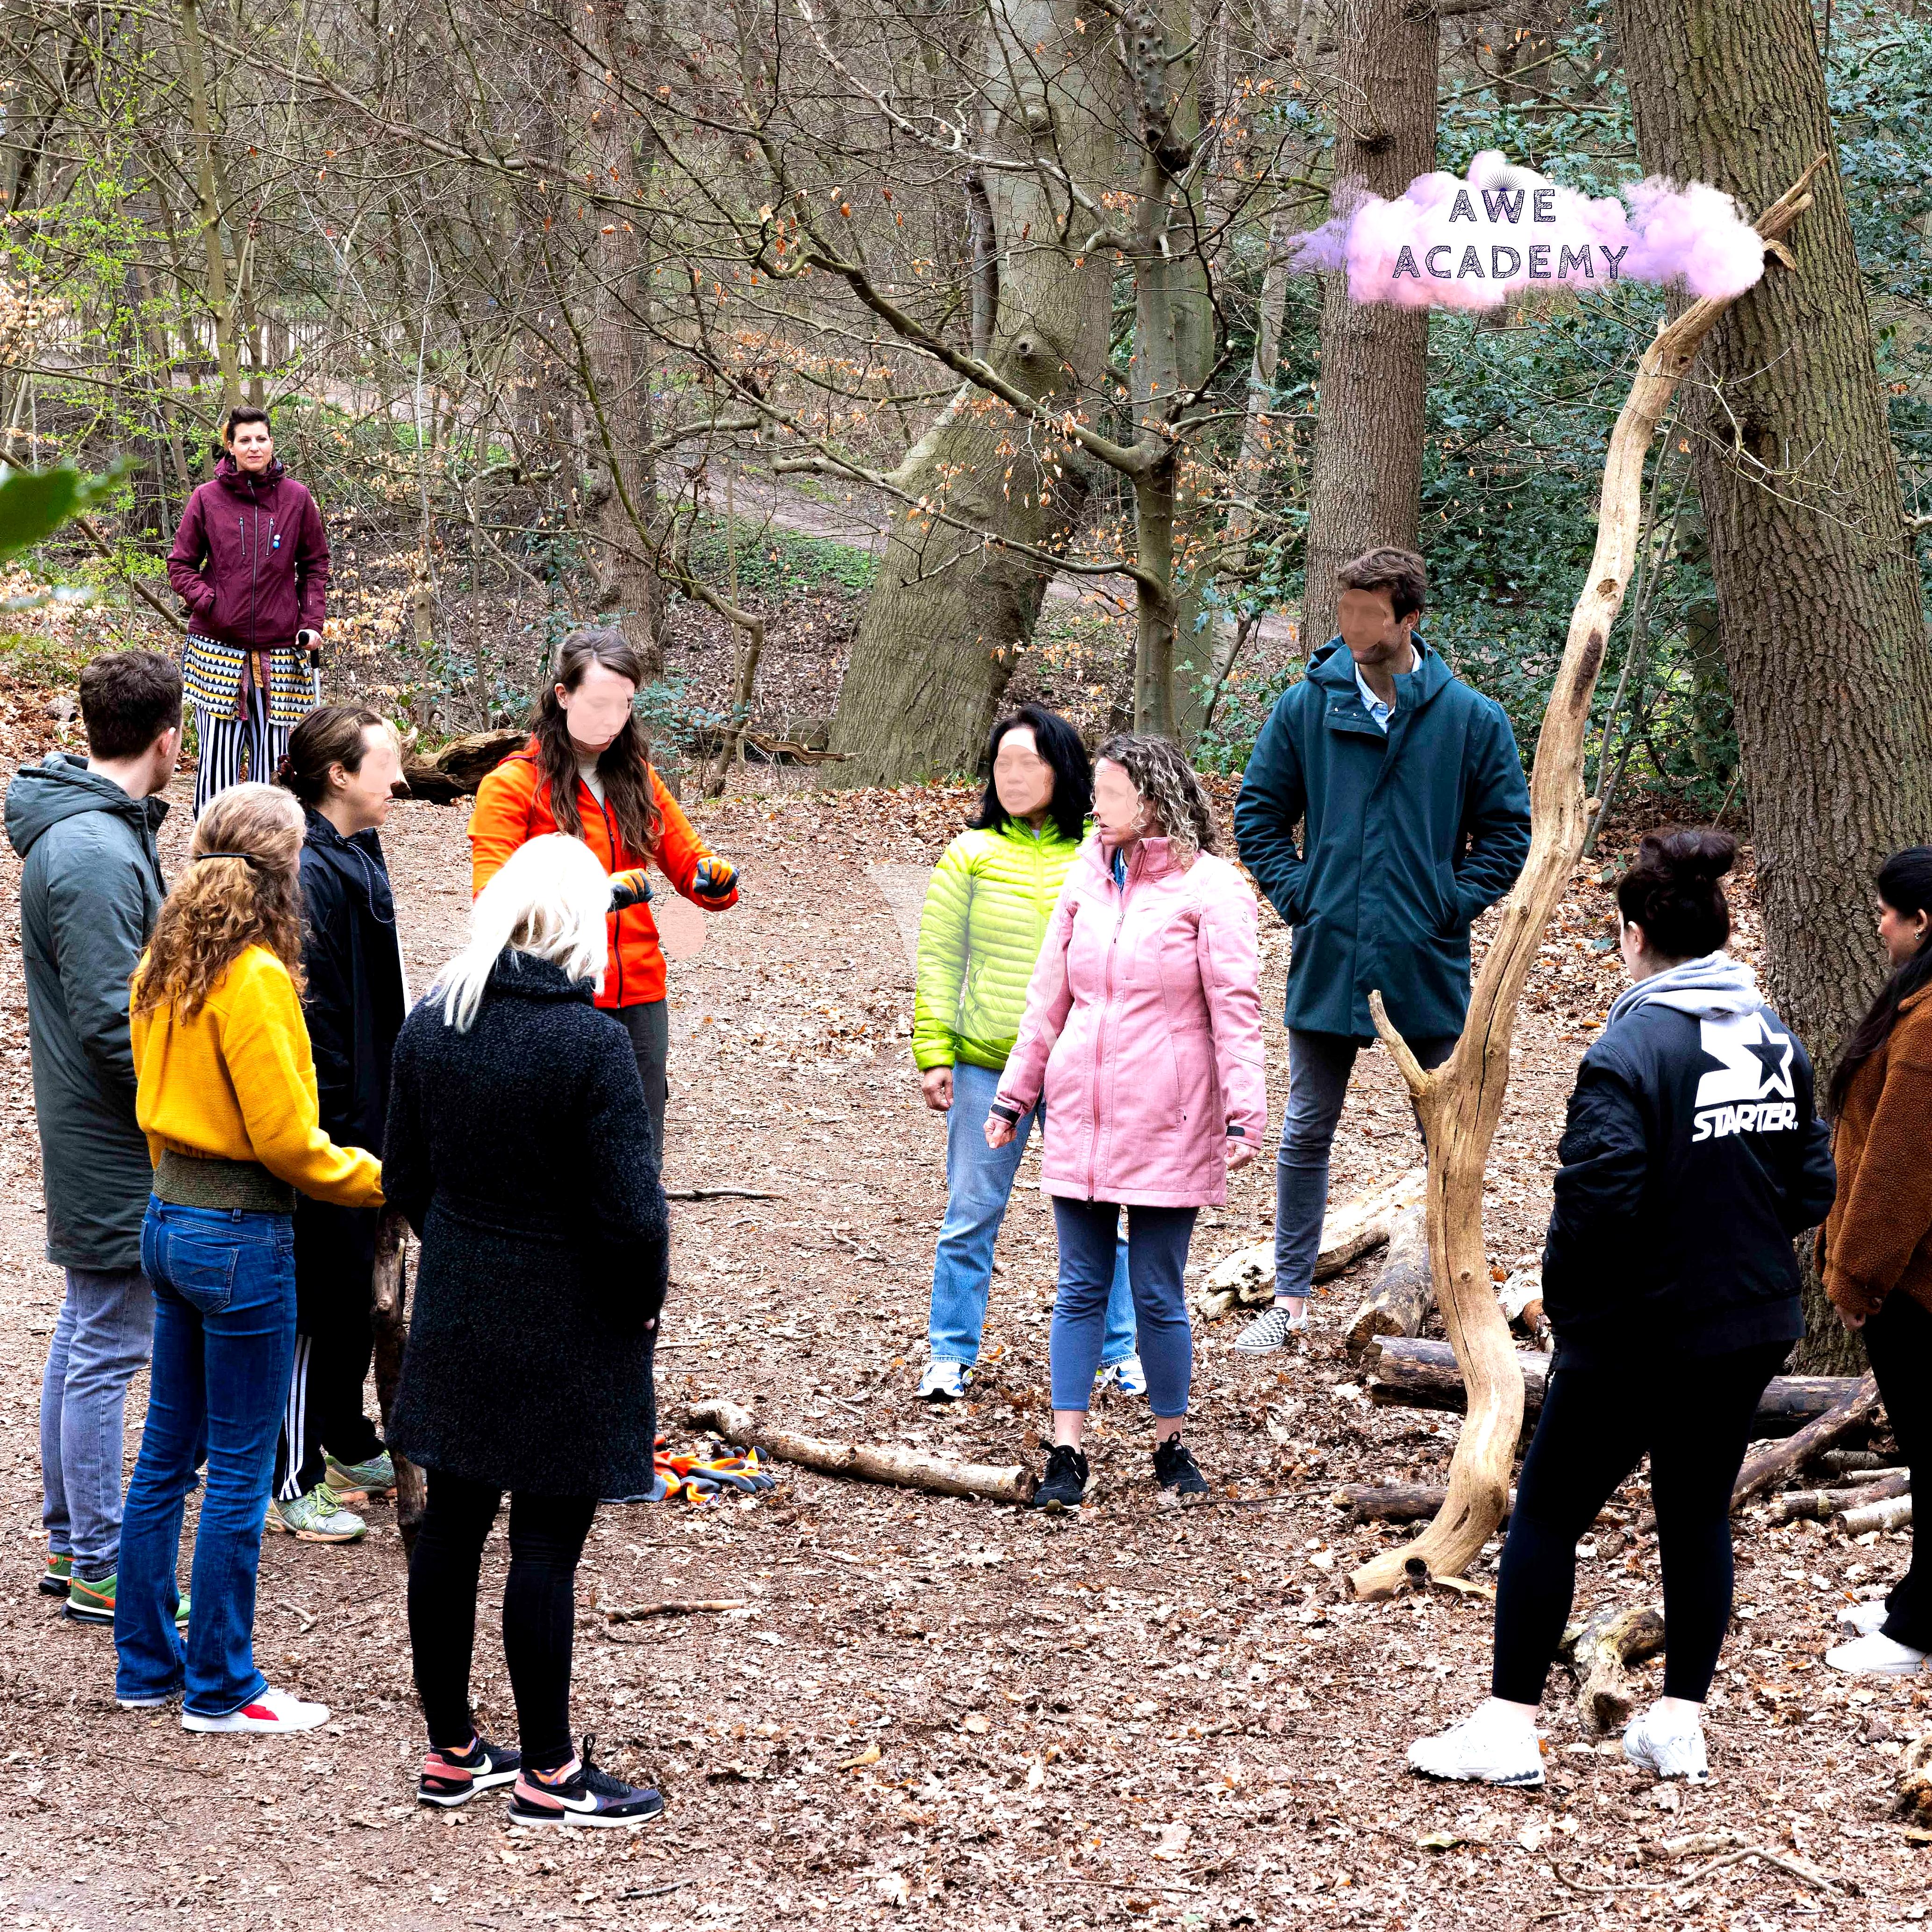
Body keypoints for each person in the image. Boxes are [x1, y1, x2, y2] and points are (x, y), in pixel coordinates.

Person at [1409, 830, 1835, 1787]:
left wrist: (1565, 1303)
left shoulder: (1630, 1046)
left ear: (1634, 935)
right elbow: (1811, 1187)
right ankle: (1679, 1724)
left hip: (1643, 1330)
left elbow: (1598, 1201)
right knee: (1694, 1516)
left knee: (1550, 1515)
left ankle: (1509, 1727)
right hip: (1749, 1321)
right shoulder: (1770, 1033)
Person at [385, 834, 668, 1826]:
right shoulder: (590, 1044)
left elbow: (402, 1174)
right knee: (546, 1542)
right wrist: (642, 1295)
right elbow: (632, 1212)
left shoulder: (434, 1021)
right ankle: (550, 1771)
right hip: (568, 1318)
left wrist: (464, 1248)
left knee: (452, 1529)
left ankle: (454, 1749)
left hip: (462, 1305)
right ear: (581, 921)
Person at [116, 784, 384, 1734]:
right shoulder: (257, 977)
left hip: (167, 1220)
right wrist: (378, 1181)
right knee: (235, 1467)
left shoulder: (168, 959)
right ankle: (223, 1687)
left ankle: (147, 1666)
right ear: (286, 872)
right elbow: (286, 1140)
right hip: (238, 1238)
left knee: (164, 1463)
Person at [1232, 547, 1530, 1352]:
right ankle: (1287, 1304)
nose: (1355, 626)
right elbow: (1257, 814)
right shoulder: (1305, 707)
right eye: (1347, 610)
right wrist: (1304, 899)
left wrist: (1447, 903)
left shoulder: (1470, 719)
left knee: (1446, 1133)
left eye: (1371, 612)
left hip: (1425, 960)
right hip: (1329, 953)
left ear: (1408, 619)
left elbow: (1507, 834)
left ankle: (1452, 1292)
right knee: (1304, 1127)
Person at [991, 736, 1267, 1511]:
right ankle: (1066, 1447)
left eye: (1107, 794)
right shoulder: (1086, 876)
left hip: (1168, 1115)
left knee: (1155, 1290)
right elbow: (1048, 996)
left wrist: (1245, 1114)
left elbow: (1234, 1008)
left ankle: (1168, 1441)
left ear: (1147, 801)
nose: (1093, 807)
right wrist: (1014, 1096)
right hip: (1080, 1109)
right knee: (1078, 1285)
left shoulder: (1211, 888)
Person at [5, 652, 183, 1625]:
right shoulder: (93, 854)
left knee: (87, 1334)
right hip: (111, 1135)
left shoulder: (97, 836)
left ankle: (74, 1542)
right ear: (167, 738)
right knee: (109, 1343)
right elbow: (117, 1026)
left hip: (102, 1128)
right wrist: (189, 1100)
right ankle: (102, 1564)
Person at [913, 707, 1143, 1402]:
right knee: (972, 1211)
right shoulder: (970, 853)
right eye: (1002, 763)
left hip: (1081, 1065)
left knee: (1099, 1210)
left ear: (1062, 767)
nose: (1012, 776)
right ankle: (950, 1355)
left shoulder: (1103, 852)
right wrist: (934, 1052)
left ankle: (1121, 1350)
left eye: (1029, 762)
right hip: (987, 1060)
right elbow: (938, 960)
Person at [468, 627, 739, 1160]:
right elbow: (493, 903)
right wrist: (594, 895)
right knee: (558, 1154)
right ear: (562, 696)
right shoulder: (512, 786)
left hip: (639, 994)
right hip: (552, 993)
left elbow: (692, 865)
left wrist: (716, 877)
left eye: (625, 706)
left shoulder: (637, 777)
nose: (612, 721)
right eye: (598, 704)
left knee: (636, 1154)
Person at [266, 707, 408, 1544]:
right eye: (384, 766)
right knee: (314, 1299)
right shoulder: (308, 870)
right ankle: (290, 1477)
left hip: (370, 1111)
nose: (399, 781)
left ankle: (346, 1438)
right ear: (337, 775)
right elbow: (314, 1017)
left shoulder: (360, 849)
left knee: (355, 1290)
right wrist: (335, 1127)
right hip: (328, 1121)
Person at [1818, 845, 1932, 1677]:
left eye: (1885, 912)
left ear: (1920, 920)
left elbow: (1899, 1168)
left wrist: (1853, 1276)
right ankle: (1914, 1599)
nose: (1877, 923)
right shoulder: (1917, 1002)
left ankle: (1918, 1629)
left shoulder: (1928, 1023)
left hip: (1914, 1282)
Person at [167, 405, 330, 818]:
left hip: (281, 651)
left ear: (272, 442)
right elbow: (181, 564)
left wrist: (311, 623)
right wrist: (211, 604)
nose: (254, 446)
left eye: (261, 438)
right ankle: (211, 852)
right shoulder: (207, 498)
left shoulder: (297, 498)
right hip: (217, 651)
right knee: (217, 763)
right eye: (245, 440)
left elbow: (315, 565)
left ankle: (269, 854)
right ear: (231, 446)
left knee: (276, 763)